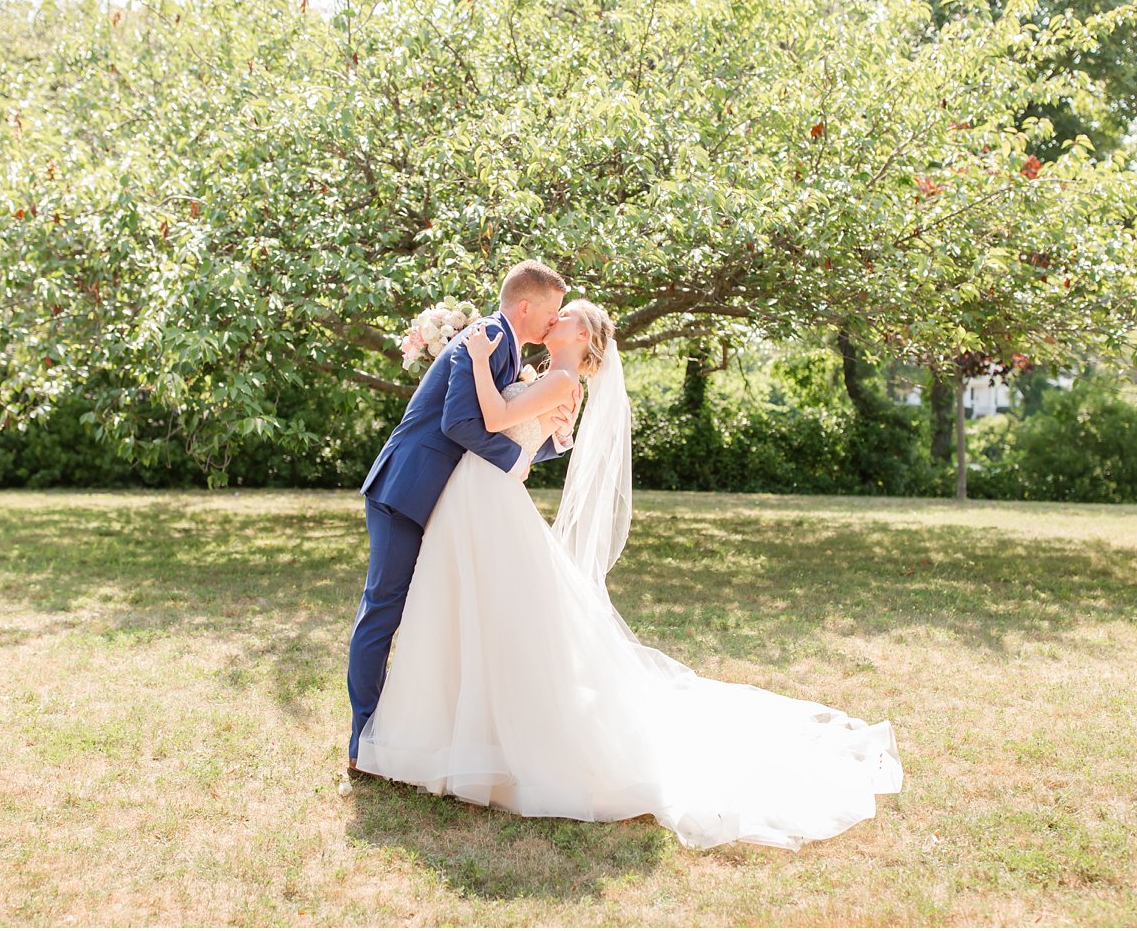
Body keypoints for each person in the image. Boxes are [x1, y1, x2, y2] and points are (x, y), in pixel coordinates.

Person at [353, 298, 904, 851]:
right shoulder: (546, 374)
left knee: (494, 615)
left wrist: (476, 361)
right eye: (553, 311)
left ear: (583, 333)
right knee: (464, 611)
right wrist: (547, 436)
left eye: (564, 315)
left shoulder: (559, 375)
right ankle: (449, 732)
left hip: (488, 499)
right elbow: (522, 435)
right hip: (476, 496)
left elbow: (493, 420)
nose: (554, 319)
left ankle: (482, 740)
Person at [346, 260, 578, 773]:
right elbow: (458, 423)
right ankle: (364, 737)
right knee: (384, 608)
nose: (553, 321)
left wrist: (551, 441)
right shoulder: (491, 337)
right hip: (406, 488)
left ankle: (418, 728)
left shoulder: (507, 349)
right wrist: (516, 462)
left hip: (444, 495)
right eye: (552, 310)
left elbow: (497, 435)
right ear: (525, 306)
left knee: (431, 610)